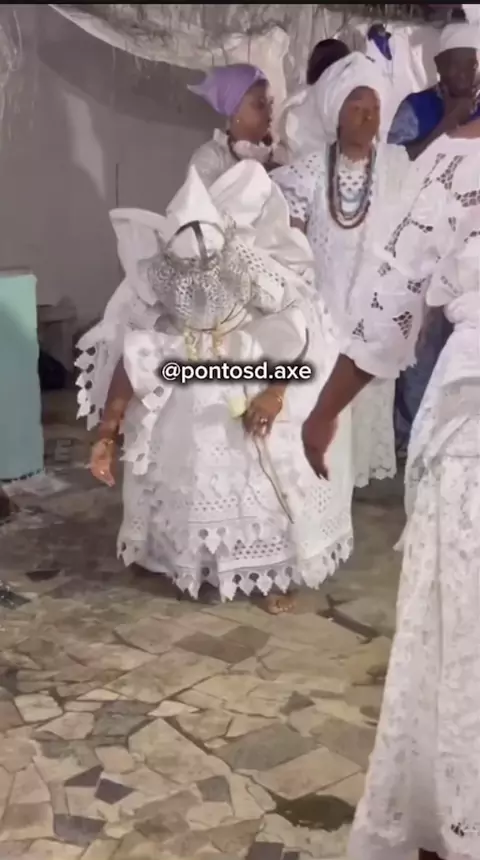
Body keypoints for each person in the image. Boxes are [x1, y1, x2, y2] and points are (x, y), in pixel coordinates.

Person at [302, 116, 480, 860]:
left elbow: (392, 307)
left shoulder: (454, 163)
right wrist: (324, 408)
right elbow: (390, 306)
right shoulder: (453, 164)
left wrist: (324, 411)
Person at [77, 160, 354, 614]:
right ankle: (189, 560)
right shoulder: (159, 286)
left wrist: (275, 393)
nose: (199, 281)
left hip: (251, 366)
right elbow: (135, 357)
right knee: (184, 471)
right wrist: (107, 435)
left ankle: (275, 570)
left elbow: (293, 332)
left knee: (264, 474)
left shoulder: (249, 271)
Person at [273, 52, 409, 488]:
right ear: (336, 114)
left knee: (360, 423)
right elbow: (290, 247)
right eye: (357, 107)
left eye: (375, 108)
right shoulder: (308, 172)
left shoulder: (398, 168)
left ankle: (349, 492)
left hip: (375, 314)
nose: (368, 117)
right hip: (323, 316)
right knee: (320, 419)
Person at [388, 20, 480, 457]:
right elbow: (394, 167)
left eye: (471, 65)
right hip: (422, 242)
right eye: (455, 65)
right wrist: (447, 124)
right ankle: (411, 437)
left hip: (470, 248)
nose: (464, 74)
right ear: (439, 66)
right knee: (419, 344)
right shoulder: (416, 108)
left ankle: (456, 437)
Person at [185, 63, 277, 188]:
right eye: (260, 105)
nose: (269, 113)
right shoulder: (210, 159)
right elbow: (199, 198)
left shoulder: (277, 156)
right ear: (234, 110)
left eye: (271, 104)